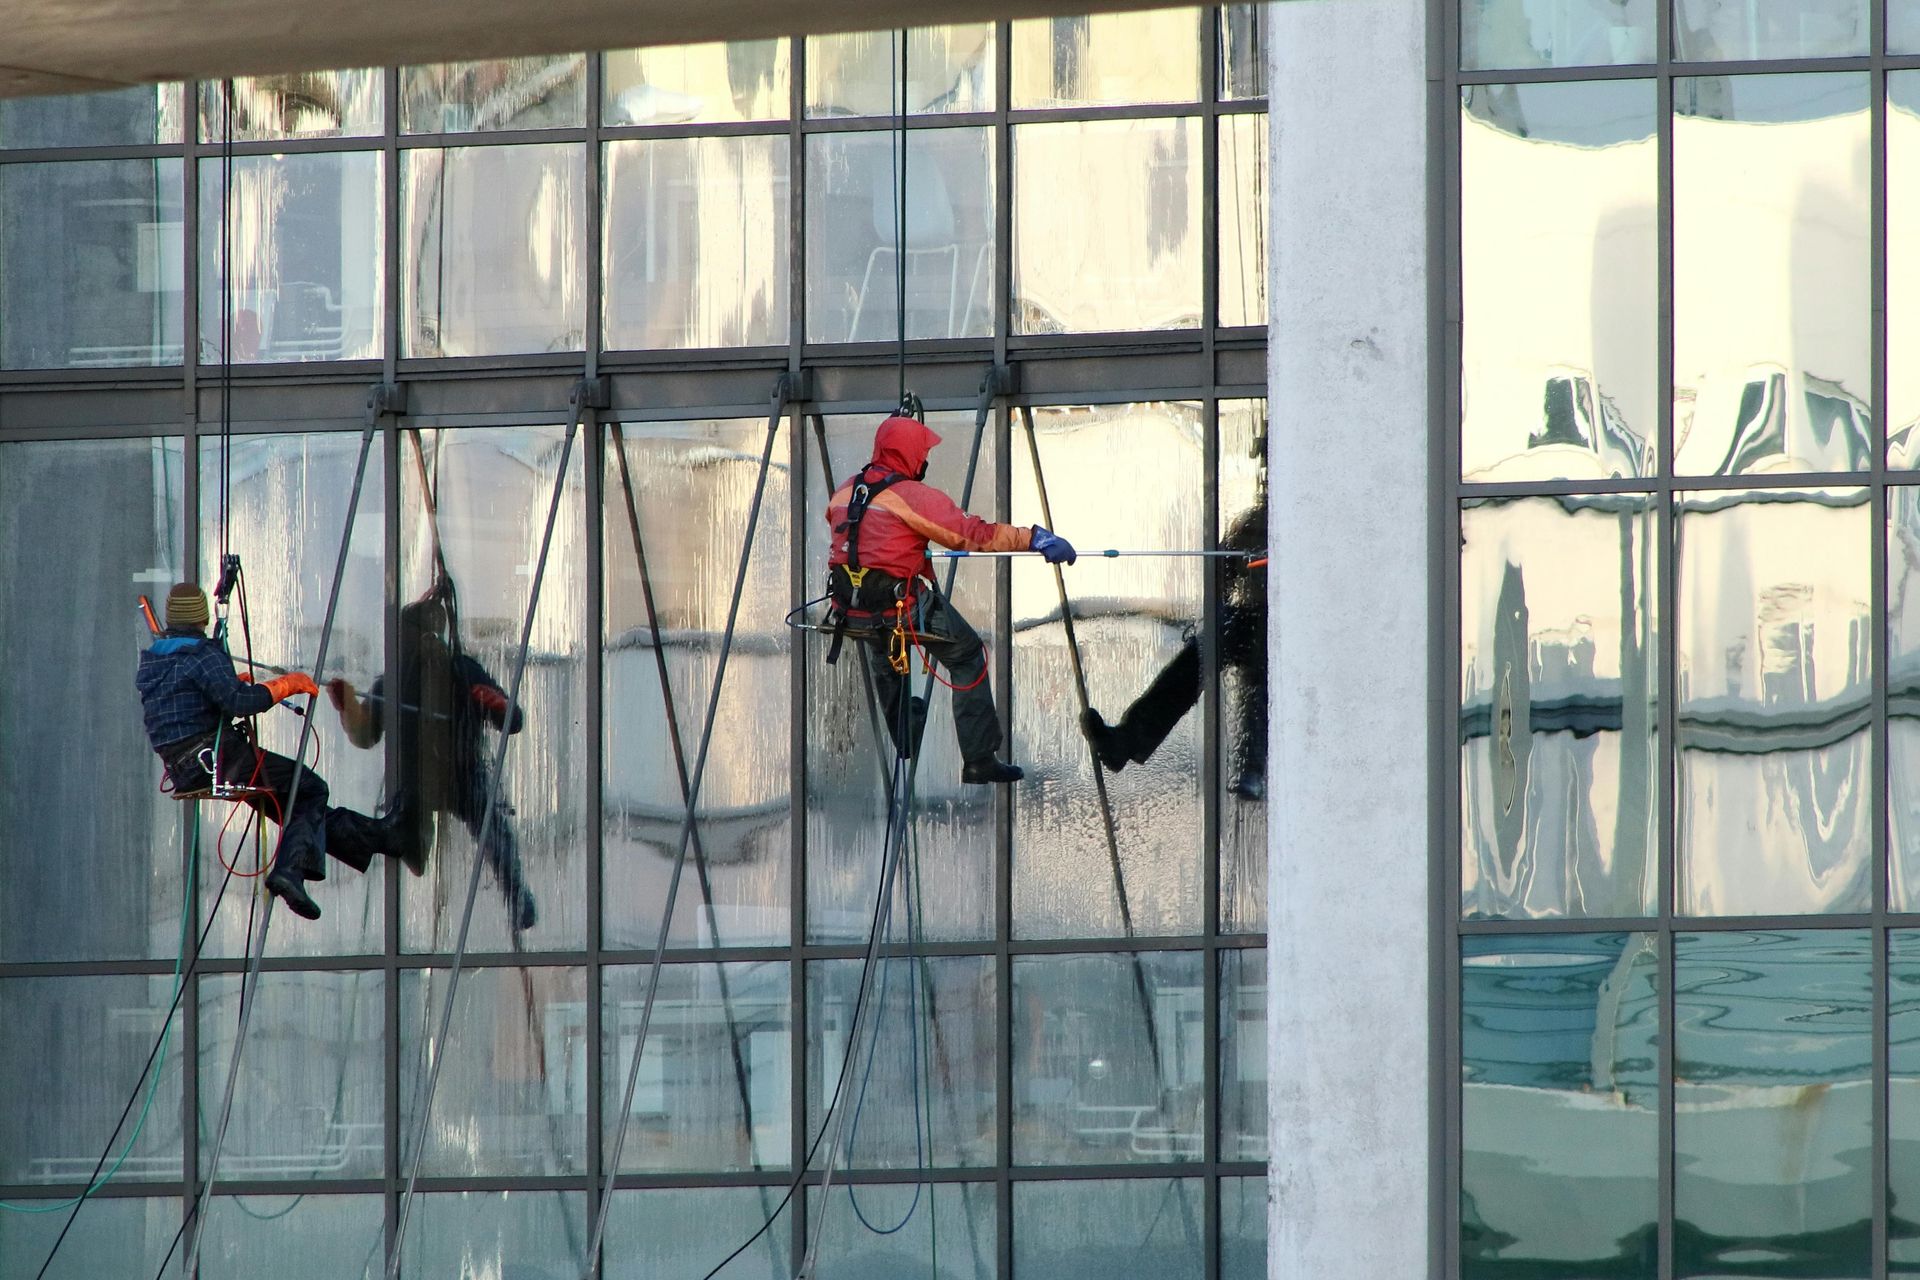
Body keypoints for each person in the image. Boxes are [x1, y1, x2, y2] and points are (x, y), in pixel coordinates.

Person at [824, 412, 1076, 783]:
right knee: (967, 654)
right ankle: (979, 758)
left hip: (851, 611)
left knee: (886, 654)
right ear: (909, 454)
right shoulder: (910, 496)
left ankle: (905, 736)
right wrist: (1033, 538)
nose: (925, 461)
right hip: (902, 606)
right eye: (922, 453)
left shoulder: (846, 490)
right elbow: (971, 534)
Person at [135, 581, 410, 921]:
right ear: (202, 616)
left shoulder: (154, 661)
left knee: (296, 810)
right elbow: (239, 703)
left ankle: (385, 837)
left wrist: (229, 682)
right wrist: (286, 685)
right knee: (309, 789)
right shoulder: (202, 655)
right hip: (220, 758)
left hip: (188, 768)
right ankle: (290, 872)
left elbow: (187, 702)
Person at [326, 582, 538, 932]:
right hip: (417, 781)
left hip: (461, 773)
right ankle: (413, 846)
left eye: (422, 638)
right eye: (412, 639)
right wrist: (347, 707)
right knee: (410, 825)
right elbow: (366, 735)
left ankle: (516, 894)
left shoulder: (461, 671)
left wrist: (498, 705)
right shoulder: (393, 683)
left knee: (493, 829)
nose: (420, 646)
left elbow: (511, 720)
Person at [1081, 499, 1268, 799]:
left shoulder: (1291, 511)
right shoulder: (1259, 519)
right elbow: (1223, 572)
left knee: (1254, 670)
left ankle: (1254, 766)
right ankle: (1125, 743)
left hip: (1287, 627)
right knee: (1204, 653)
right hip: (1259, 618)